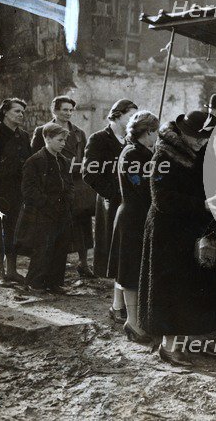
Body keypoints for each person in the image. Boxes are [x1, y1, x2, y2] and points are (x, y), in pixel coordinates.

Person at [139, 111, 216, 366]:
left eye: (205, 138)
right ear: (183, 135)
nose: (201, 142)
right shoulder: (164, 155)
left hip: (192, 228)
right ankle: (168, 347)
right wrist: (203, 204)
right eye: (197, 139)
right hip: (168, 232)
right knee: (171, 289)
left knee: (192, 288)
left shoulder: (199, 151)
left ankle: (185, 343)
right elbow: (162, 198)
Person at [83, 99, 138, 323]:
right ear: (117, 115)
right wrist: (111, 193)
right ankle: (117, 305)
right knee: (115, 253)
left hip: (129, 203)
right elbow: (89, 173)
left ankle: (120, 304)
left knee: (124, 254)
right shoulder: (98, 139)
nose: (133, 120)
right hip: (110, 202)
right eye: (130, 115)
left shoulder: (130, 140)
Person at [31, 96, 95, 278]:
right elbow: (36, 157)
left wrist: (82, 166)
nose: (67, 113)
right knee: (58, 223)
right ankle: (53, 267)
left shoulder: (78, 133)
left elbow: (84, 156)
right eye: (64, 109)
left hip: (76, 183)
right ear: (55, 110)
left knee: (82, 222)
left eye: (70, 110)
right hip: (54, 183)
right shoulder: (43, 131)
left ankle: (83, 263)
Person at [110, 111, 159, 343]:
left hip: (139, 216)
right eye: (155, 132)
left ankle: (138, 320)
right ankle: (132, 321)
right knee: (130, 272)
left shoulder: (142, 152)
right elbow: (142, 188)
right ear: (148, 131)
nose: (157, 137)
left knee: (137, 270)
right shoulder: (132, 154)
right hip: (132, 218)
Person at [16, 123, 74, 292]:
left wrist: (68, 200)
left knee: (60, 247)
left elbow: (69, 185)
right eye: (59, 140)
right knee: (43, 247)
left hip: (62, 211)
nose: (63, 144)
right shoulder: (34, 161)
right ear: (47, 139)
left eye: (64, 140)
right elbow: (28, 189)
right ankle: (35, 283)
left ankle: (55, 283)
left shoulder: (63, 161)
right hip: (42, 213)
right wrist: (46, 203)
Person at [0, 98, 32, 286]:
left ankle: (12, 271)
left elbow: (28, 162)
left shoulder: (24, 136)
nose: (21, 115)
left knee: (14, 228)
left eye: (22, 111)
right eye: (16, 111)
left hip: (18, 189)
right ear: (5, 112)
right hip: (0, 191)